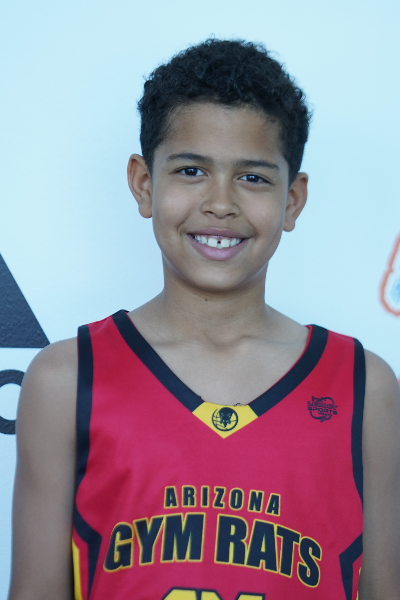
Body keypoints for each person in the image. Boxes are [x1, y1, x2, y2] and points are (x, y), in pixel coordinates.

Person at [8, 39, 400, 600]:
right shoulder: (66, 380)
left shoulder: (364, 386)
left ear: (293, 200)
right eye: (191, 170)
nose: (221, 202)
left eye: (253, 178)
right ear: (145, 184)